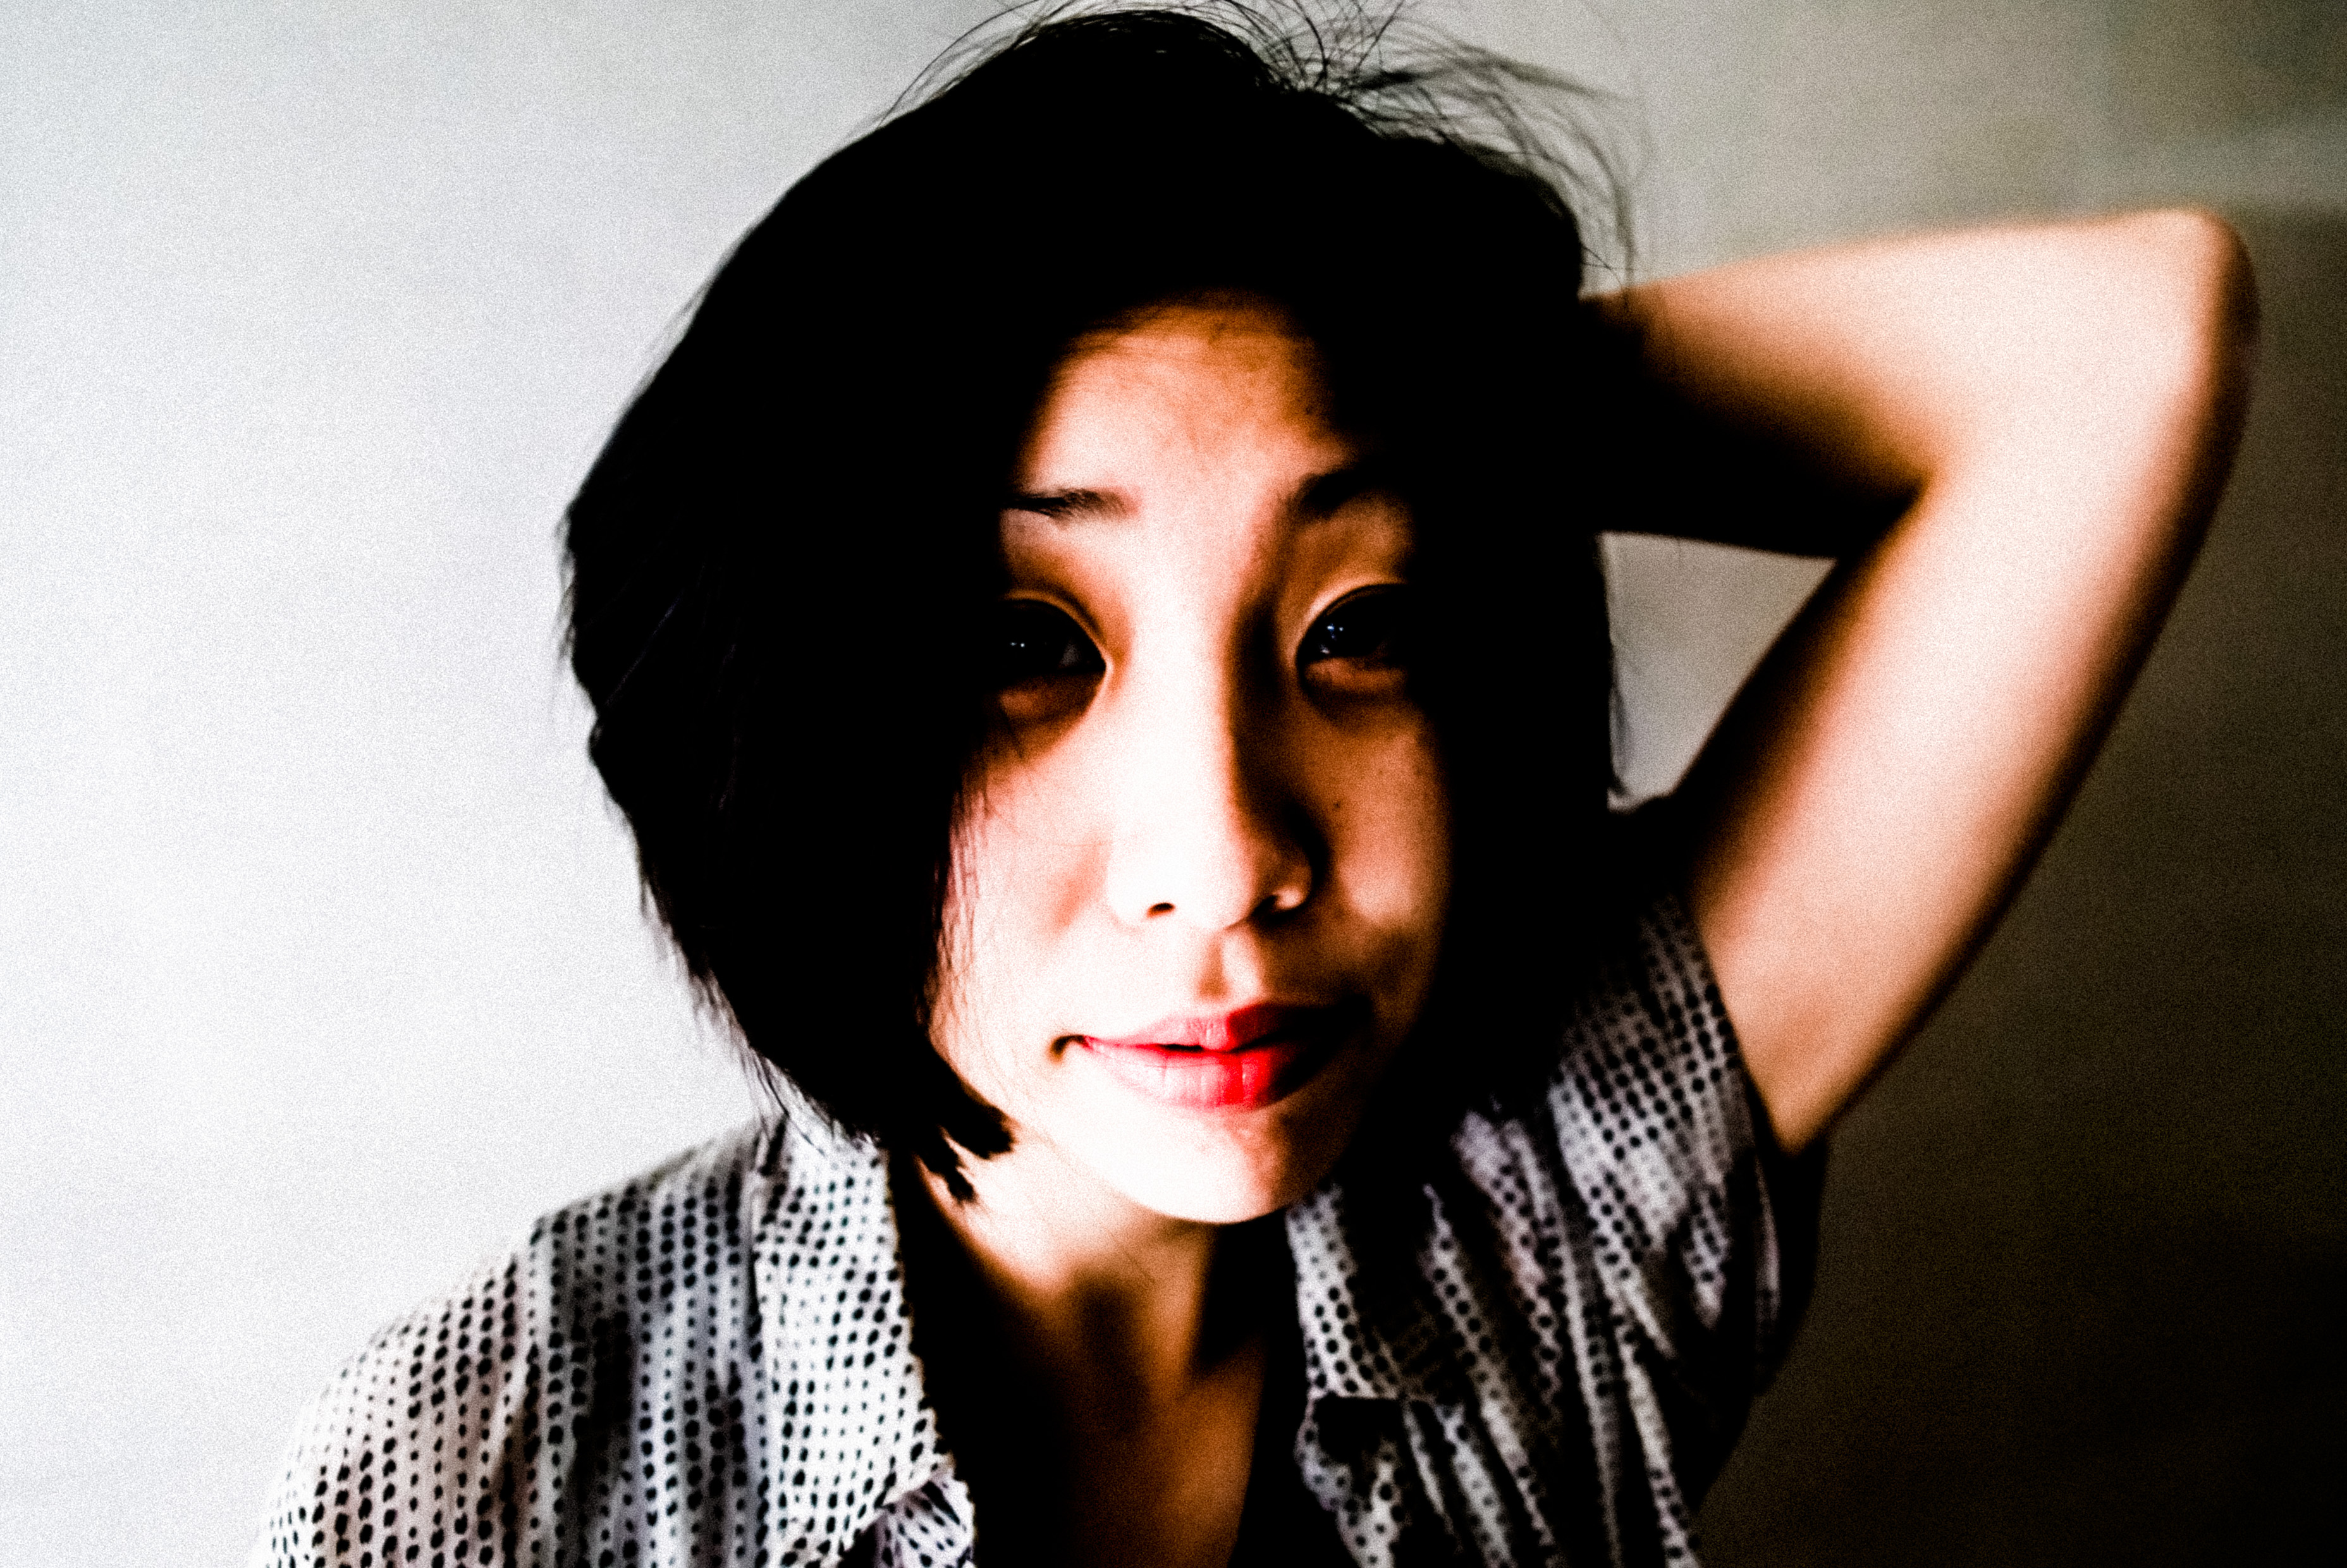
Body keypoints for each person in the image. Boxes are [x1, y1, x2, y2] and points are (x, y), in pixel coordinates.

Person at [249, 6, 2253, 1566]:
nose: (1226, 862)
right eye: (1028, 648)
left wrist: (1425, 398)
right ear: (792, 711)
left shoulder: (1556, 1192)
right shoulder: (496, 1466)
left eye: (1358, 629)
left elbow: (2130, 339)